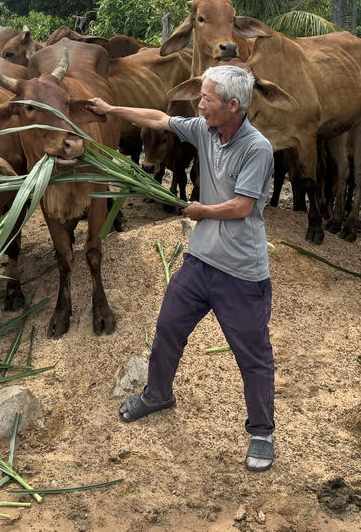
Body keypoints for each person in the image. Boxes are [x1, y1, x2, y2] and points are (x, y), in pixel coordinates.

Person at [85, 63, 278, 472]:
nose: (199, 103)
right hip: (199, 262)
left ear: (232, 105)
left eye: (206, 97)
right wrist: (111, 109)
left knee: (253, 355)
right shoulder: (205, 130)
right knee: (168, 327)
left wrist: (199, 210)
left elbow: (242, 207)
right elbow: (158, 118)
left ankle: (261, 432)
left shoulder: (256, 148)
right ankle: (158, 394)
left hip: (241, 274)